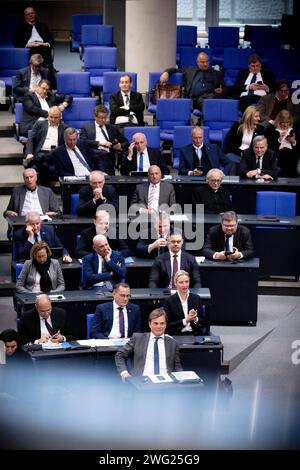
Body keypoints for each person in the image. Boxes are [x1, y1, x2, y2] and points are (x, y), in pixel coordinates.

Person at [115, 308, 182, 380]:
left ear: (166, 324)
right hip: (142, 381)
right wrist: (124, 373)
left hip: (166, 382)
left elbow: (177, 366)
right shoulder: (138, 338)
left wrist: (183, 378)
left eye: (162, 323)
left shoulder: (173, 343)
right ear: (149, 324)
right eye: (155, 323)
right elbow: (120, 355)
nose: (159, 326)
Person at [160, 51, 224, 112]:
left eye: (207, 62)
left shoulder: (216, 73)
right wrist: (167, 72)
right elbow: (175, 70)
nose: (205, 64)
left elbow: (225, 87)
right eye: (202, 62)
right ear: (197, 62)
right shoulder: (189, 71)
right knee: (207, 103)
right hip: (197, 99)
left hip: (212, 97)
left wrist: (222, 90)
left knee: (217, 102)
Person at [80, 105, 129, 175]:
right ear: (95, 116)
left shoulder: (112, 128)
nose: (104, 120)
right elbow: (82, 142)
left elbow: (126, 142)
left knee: (106, 160)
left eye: (105, 118)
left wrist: (120, 145)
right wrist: (99, 143)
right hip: (92, 156)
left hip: (107, 157)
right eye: (101, 118)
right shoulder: (86, 127)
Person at [23, 106, 66, 185]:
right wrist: (29, 153)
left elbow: (65, 145)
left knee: (49, 156)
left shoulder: (64, 127)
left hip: (56, 153)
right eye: (51, 117)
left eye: (56, 118)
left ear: (60, 117)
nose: (53, 120)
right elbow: (31, 139)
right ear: (48, 116)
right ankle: (47, 189)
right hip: (41, 151)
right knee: (44, 164)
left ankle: (33, 160)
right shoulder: (39, 124)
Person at [163, 270, 207, 335]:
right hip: (177, 335)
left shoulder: (196, 298)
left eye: (187, 282)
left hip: (194, 334)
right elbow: (167, 325)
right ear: (175, 283)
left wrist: (195, 319)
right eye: (181, 282)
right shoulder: (169, 301)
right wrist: (185, 320)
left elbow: (204, 322)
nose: (184, 285)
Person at [264, 110, 299, 178]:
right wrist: (279, 139)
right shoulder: (271, 129)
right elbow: (268, 146)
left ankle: (291, 181)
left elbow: (298, 147)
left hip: (291, 153)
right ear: (278, 121)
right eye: (283, 122)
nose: (285, 124)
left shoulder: (293, 129)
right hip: (277, 152)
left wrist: (293, 142)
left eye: (287, 122)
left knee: (291, 155)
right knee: (283, 155)